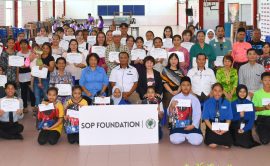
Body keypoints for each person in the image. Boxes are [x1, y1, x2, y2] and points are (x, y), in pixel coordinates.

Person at [168, 76, 203, 145]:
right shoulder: (175, 98)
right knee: (175, 140)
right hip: (178, 125)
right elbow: (169, 114)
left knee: (197, 141)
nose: (186, 87)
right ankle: (183, 135)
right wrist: (171, 107)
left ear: (191, 86)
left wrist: (193, 126)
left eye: (188, 85)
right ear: (180, 86)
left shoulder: (195, 99)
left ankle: (188, 135)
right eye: (183, 85)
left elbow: (197, 114)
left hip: (191, 126)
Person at [202, 83, 233, 148]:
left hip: (223, 124)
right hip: (212, 124)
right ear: (212, 91)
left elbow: (229, 118)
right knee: (213, 145)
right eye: (215, 90)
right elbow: (206, 119)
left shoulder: (227, 103)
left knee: (227, 146)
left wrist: (225, 129)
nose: (217, 93)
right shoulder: (207, 103)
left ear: (222, 92)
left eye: (219, 91)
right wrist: (213, 129)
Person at [230, 84, 260, 148]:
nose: (242, 93)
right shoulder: (233, 103)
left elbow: (251, 119)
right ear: (237, 92)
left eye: (244, 91)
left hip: (246, 126)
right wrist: (240, 115)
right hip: (236, 125)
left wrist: (244, 129)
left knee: (246, 143)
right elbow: (231, 118)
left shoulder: (250, 104)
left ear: (246, 92)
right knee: (236, 142)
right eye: (240, 91)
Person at [33, 42, 55, 107]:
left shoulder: (51, 58)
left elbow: (52, 69)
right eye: (44, 48)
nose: (45, 50)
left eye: (47, 48)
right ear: (41, 48)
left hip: (46, 79)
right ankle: (38, 111)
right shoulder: (38, 56)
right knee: (37, 95)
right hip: (37, 78)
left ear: (50, 49)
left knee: (46, 95)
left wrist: (46, 66)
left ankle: (46, 111)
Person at [17, 39, 35, 113]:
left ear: (28, 45)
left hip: (31, 76)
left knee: (32, 91)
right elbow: (18, 66)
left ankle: (33, 106)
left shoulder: (31, 53)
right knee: (23, 92)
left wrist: (25, 64)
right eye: (21, 44)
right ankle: (25, 107)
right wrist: (17, 77)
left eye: (25, 44)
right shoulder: (18, 54)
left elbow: (28, 65)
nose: (23, 45)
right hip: (21, 76)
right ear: (19, 45)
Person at [252, 72, 270, 145]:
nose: (267, 82)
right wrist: (264, 108)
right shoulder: (257, 94)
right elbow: (253, 108)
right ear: (261, 81)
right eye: (265, 80)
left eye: (269, 80)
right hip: (262, 118)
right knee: (265, 141)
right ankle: (258, 129)